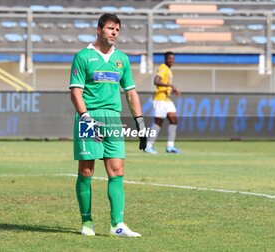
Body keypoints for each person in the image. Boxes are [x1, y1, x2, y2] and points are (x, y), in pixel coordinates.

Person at [69, 13, 147, 237]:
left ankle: (117, 225)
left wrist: (139, 121)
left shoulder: (122, 59)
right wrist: (85, 118)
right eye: (110, 28)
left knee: (117, 170)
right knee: (86, 170)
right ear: (99, 30)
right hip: (89, 116)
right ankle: (87, 223)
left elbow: (131, 93)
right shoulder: (83, 56)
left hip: (113, 118)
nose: (114, 33)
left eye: (117, 30)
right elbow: (76, 92)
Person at [145, 51, 181, 154]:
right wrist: (171, 86)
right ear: (165, 59)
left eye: (173, 59)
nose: (172, 60)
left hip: (167, 99)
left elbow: (164, 84)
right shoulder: (163, 68)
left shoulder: (169, 70)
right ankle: (148, 146)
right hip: (160, 99)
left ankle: (170, 146)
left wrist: (172, 90)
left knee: (173, 120)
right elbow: (156, 81)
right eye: (170, 58)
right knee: (158, 122)